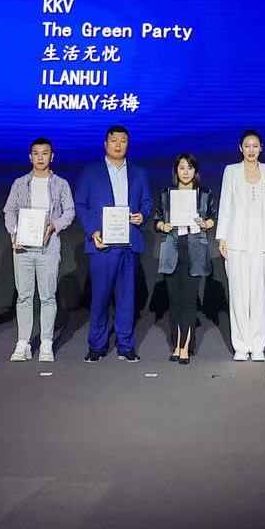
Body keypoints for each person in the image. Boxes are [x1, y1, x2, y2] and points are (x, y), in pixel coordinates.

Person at [75, 125, 153, 363]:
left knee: (127, 299)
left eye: (123, 141)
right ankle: (96, 346)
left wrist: (142, 215)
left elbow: (147, 203)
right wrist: (93, 231)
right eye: (114, 140)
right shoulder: (90, 171)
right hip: (103, 243)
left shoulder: (139, 172)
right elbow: (81, 205)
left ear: (128, 144)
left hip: (129, 242)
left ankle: (125, 345)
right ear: (105, 143)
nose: (118, 145)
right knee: (99, 298)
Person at [2, 137, 75, 363]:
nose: (40, 157)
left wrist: (54, 225)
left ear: (52, 157)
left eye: (45, 153)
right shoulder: (20, 183)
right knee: (24, 297)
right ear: (30, 157)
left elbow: (69, 212)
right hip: (23, 248)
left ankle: (46, 343)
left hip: (48, 248)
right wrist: (15, 232)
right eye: (36, 153)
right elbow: (9, 210)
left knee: (48, 297)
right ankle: (23, 343)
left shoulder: (61, 184)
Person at [215, 130, 265, 361]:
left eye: (255, 146)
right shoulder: (231, 171)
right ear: (240, 148)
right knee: (238, 293)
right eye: (247, 146)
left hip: (262, 239)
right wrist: (222, 236)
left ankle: (258, 344)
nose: (251, 150)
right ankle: (241, 345)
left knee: (260, 293)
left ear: (261, 147)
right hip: (236, 239)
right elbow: (225, 204)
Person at [155, 153, 215, 365]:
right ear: (176, 170)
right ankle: (176, 343)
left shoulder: (204, 194)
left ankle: (185, 347)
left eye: (190, 168)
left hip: (194, 251)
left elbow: (213, 217)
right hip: (172, 250)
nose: (186, 172)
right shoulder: (166, 194)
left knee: (189, 301)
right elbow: (157, 218)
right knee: (175, 301)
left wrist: (206, 223)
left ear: (195, 171)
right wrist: (162, 225)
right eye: (182, 168)